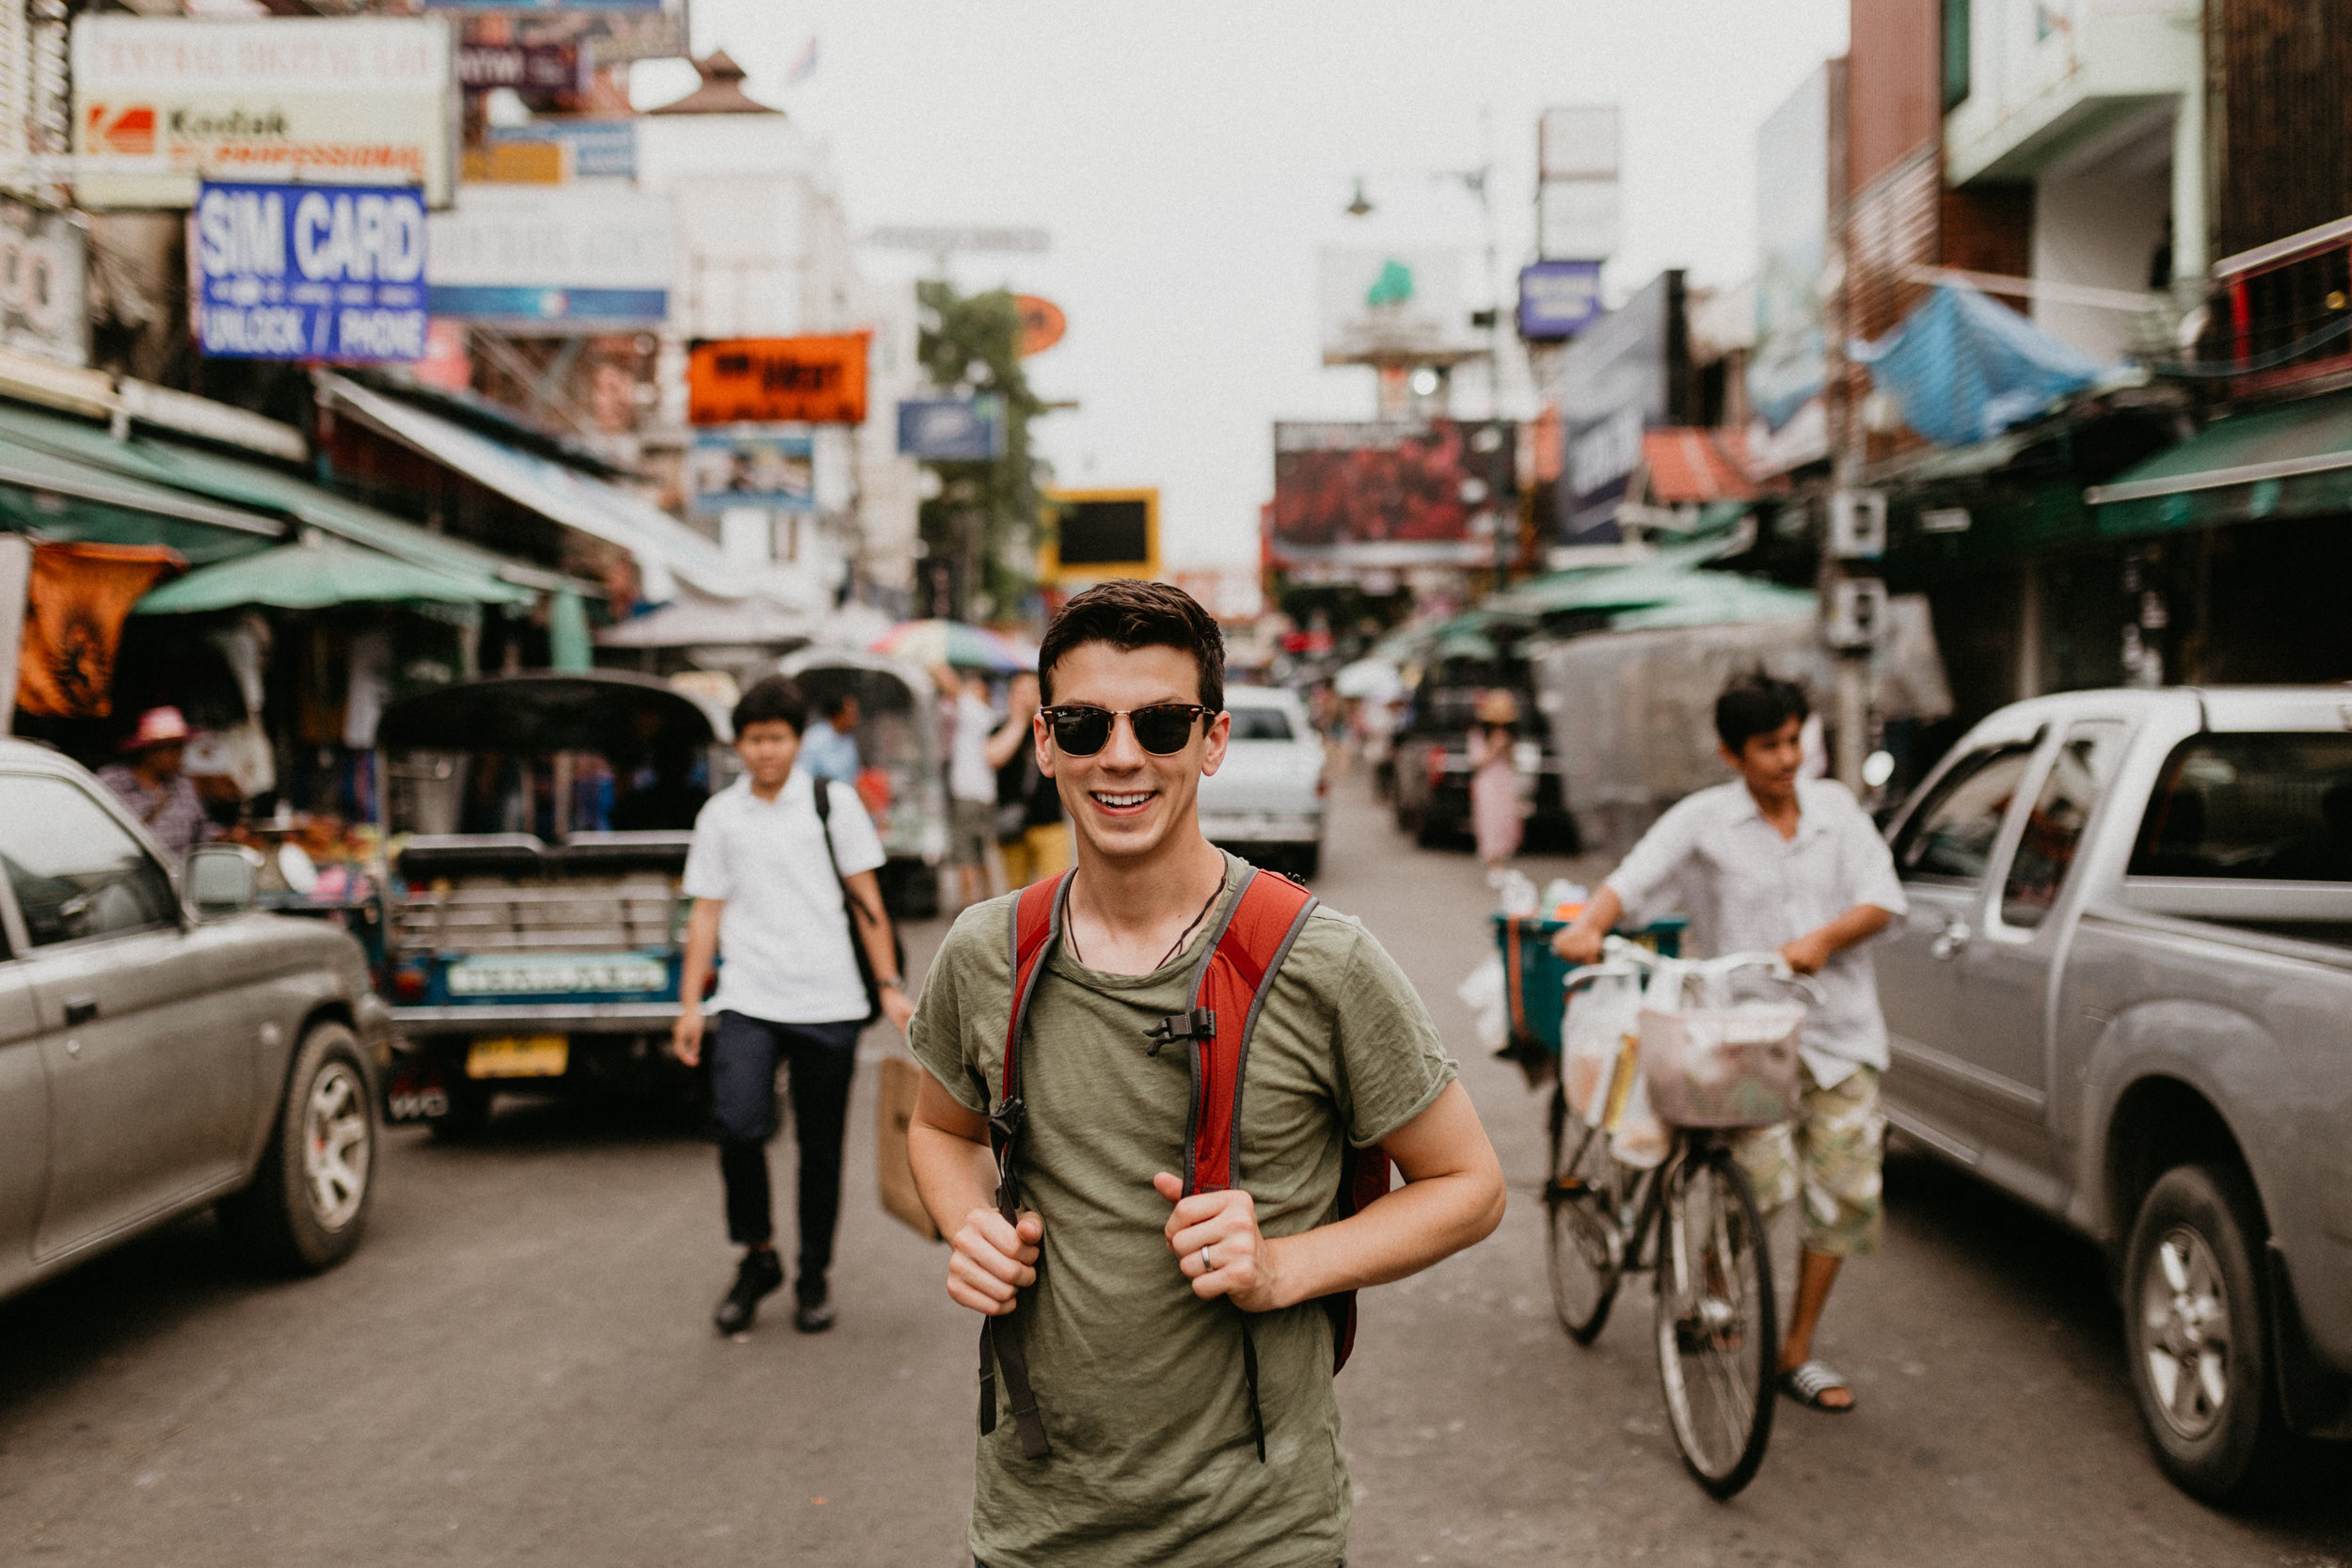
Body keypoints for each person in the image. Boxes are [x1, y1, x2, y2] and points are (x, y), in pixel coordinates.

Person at [905, 580, 1506, 1567]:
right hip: (1035, 1528)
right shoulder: (988, 952)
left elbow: (1469, 1184)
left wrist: (1283, 1265)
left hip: (1259, 1535)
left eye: (1161, 722)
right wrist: (968, 1223)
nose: (1123, 754)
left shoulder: (1322, 959)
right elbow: (940, 1129)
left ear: (1211, 739)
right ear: (1046, 740)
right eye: (1084, 723)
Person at [1549, 673, 1905, 1414]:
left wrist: (1822, 938)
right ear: (1731, 752)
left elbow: (1882, 898)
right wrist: (1590, 924)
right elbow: (1632, 879)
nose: (1786, 758)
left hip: (1841, 1033)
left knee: (1843, 1197)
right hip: (1741, 1038)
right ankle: (1712, 1286)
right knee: (1757, 1189)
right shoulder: (1703, 819)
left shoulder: (1837, 809)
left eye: (1794, 740)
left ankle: (1796, 1349)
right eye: (1768, 745)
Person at [672, 675, 916, 1337]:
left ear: (797, 739)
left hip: (829, 997)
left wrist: (889, 984)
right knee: (738, 1125)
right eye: (754, 740)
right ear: (739, 744)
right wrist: (691, 1002)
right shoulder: (721, 814)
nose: (766, 752)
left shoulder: (832, 803)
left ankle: (813, 1272)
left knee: (820, 1145)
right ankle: (758, 1254)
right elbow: (705, 913)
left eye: (777, 738)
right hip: (748, 995)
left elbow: (868, 900)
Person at [985, 671, 1070, 888]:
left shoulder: (1052, 729)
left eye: (1031, 691)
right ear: (1011, 695)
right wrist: (1019, 722)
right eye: (1020, 691)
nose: (1026, 696)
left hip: (1049, 822)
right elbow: (994, 757)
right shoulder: (1000, 728)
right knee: (1016, 893)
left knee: (1055, 888)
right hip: (1012, 825)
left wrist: (1041, 720)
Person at [98, 706, 213, 860]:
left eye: (181, 748)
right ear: (151, 751)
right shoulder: (112, 783)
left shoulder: (184, 786)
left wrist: (225, 836)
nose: (180, 757)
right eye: (173, 749)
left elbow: (202, 833)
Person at [940, 665, 999, 912]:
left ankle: (968, 906)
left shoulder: (974, 711)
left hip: (968, 794)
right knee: (980, 851)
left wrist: (933, 657)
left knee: (965, 853)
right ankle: (988, 900)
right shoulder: (988, 716)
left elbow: (949, 683)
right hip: (983, 794)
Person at [1466, 688, 1523, 877]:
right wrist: (1492, 748)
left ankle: (1502, 857)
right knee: (1489, 819)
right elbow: (1476, 762)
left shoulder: (1509, 736)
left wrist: (1506, 748)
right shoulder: (1478, 735)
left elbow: (1514, 763)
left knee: (1506, 818)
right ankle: (1492, 860)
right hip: (1488, 781)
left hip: (1504, 780)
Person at [798, 690, 862, 786]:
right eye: (852, 712)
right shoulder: (814, 740)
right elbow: (803, 777)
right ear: (838, 714)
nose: (856, 717)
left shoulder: (848, 740)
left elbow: (854, 777)